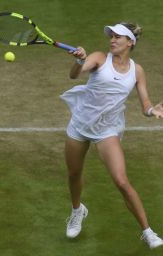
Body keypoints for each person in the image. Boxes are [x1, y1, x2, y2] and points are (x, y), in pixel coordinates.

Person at [60, 22, 163, 249]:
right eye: (112, 36)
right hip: (80, 125)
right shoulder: (99, 58)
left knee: (122, 181)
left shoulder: (137, 71)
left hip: (107, 130)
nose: (112, 40)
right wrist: (78, 61)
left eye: (118, 37)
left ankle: (147, 232)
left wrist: (151, 110)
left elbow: (145, 102)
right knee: (74, 174)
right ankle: (77, 210)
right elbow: (74, 76)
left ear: (130, 42)